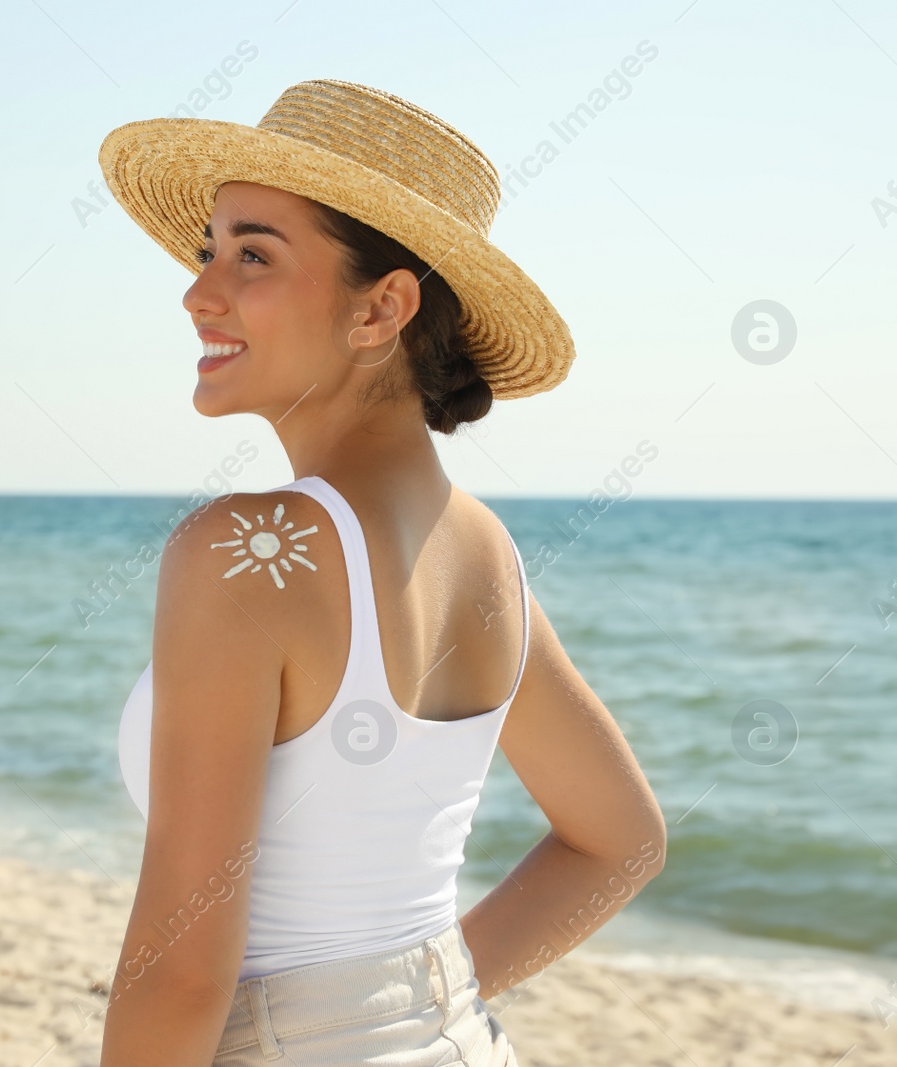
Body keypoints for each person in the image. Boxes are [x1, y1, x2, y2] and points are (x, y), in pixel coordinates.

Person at [97, 79, 666, 1066]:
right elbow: (619, 842)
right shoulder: (483, 548)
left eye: (252, 255)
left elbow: (185, 972)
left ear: (382, 308)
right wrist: (408, 1003)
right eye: (208, 250)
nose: (199, 290)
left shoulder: (247, 551)